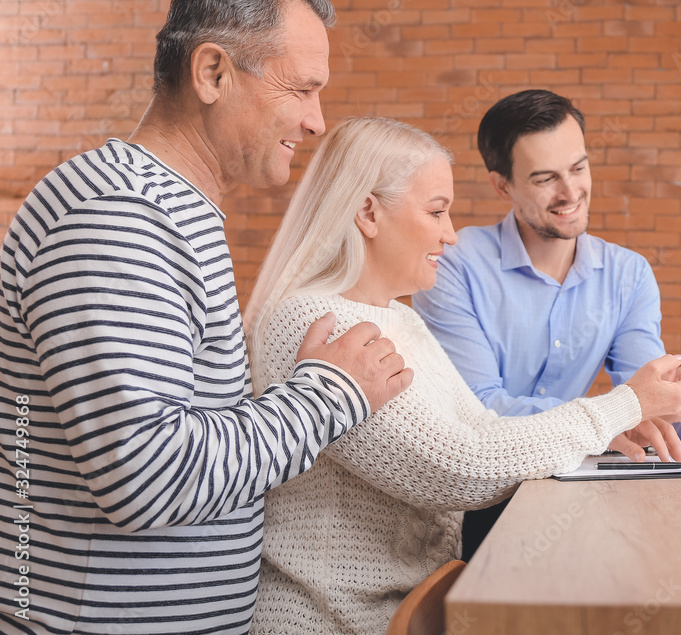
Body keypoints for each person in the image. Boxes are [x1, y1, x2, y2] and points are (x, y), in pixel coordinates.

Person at [0, 2, 412, 633]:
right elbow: (149, 478)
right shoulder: (117, 218)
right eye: (302, 89)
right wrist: (330, 395)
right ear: (214, 73)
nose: (315, 121)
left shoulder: (165, 210)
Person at [244, 116, 681, 635]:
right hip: (335, 622)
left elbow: (485, 427)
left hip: (414, 604)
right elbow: (461, 468)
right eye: (436, 212)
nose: (450, 235)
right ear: (367, 212)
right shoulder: (316, 322)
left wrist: (624, 419)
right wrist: (622, 407)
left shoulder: (401, 319)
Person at [411, 89, 681, 558]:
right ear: (502, 186)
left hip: (578, 493)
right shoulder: (453, 263)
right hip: (481, 501)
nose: (570, 193)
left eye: (578, 168)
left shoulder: (628, 274)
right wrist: (611, 420)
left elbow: (646, 410)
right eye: (545, 179)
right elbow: (479, 413)